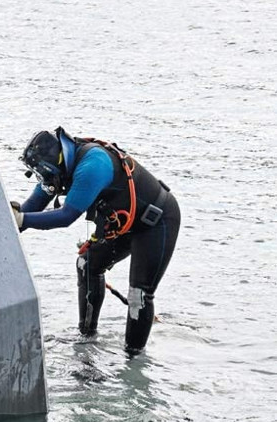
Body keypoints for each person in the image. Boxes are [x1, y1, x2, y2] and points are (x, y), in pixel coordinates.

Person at [12, 127, 180, 353]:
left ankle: (133, 361)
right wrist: (10, 221)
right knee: (87, 264)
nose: (47, 181)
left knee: (139, 295)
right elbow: (29, 210)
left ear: (58, 163)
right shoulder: (59, 169)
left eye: (47, 175)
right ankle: (87, 339)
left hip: (156, 222)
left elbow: (66, 216)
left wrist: (21, 220)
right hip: (123, 224)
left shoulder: (93, 165)